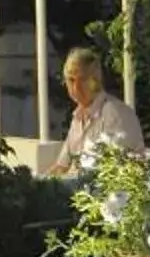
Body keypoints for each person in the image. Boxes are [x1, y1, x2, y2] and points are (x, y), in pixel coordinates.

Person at [43, 45, 143, 176]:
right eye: (71, 80)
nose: (76, 87)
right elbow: (61, 166)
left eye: (82, 79)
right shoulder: (78, 117)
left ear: (96, 80)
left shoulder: (114, 112)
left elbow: (115, 172)